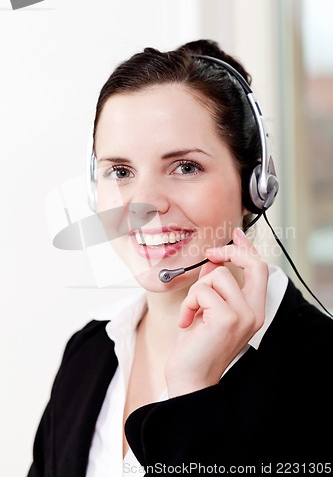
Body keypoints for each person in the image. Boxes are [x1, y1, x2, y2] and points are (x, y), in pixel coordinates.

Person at [27, 39, 333, 477]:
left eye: (185, 167)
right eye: (120, 171)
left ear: (255, 187)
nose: (144, 203)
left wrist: (192, 397)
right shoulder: (88, 355)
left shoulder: (320, 373)